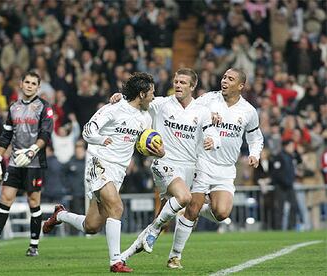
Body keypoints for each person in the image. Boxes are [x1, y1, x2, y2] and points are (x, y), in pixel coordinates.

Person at [42, 72, 164, 273]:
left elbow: (143, 145)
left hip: (118, 171)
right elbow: (88, 130)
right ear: (142, 94)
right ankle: (116, 262)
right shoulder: (114, 108)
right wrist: (101, 140)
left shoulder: (145, 118)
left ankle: (60, 215)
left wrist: (159, 152)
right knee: (116, 207)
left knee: (91, 226)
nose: (153, 96)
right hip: (99, 162)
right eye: (151, 92)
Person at [109, 68, 221, 262]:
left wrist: (213, 141)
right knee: (184, 198)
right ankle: (155, 232)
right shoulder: (160, 104)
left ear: (192, 86)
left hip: (189, 167)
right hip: (164, 163)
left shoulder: (201, 112)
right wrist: (121, 97)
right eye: (176, 81)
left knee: (163, 221)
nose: (178, 85)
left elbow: (212, 132)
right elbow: (136, 101)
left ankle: (124, 256)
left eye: (183, 82)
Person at [165, 68, 264, 268]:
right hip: (203, 162)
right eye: (224, 77)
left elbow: (255, 137)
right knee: (191, 211)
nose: (225, 81)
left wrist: (255, 154)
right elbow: (185, 107)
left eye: (231, 79)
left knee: (221, 213)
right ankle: (175, 256)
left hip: (226, 169)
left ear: (241, 86)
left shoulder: (248, 111)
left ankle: (197, 207)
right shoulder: (208, 99)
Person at [0, 71, 53, 257]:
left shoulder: (44, 107)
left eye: (33, 83)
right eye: (26, 82)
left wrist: (31, 151)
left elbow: (45, 135)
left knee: (33, 202)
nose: (29, 85)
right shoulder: (13, 108)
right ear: (21, 84)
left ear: (38, 87)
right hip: (14, 162)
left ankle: (34, 246)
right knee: (5, 198)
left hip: (34, 162)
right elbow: (6, 136)